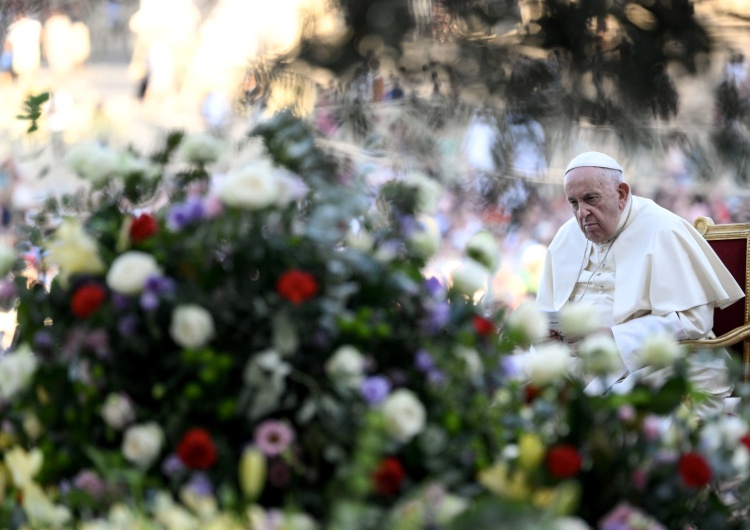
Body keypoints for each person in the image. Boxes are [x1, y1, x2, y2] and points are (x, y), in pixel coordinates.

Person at [535, 151, 744, 418]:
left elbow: (693, 322)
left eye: (590, 199)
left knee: (617, 409)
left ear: (621, 193)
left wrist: (613, 337)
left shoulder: (663, 228)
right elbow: (548, 310)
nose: (581, 213)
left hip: (655, 360)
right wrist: (549, 337)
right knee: (516, 383)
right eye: (573, 203)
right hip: (582, 362)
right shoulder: (567, 236)